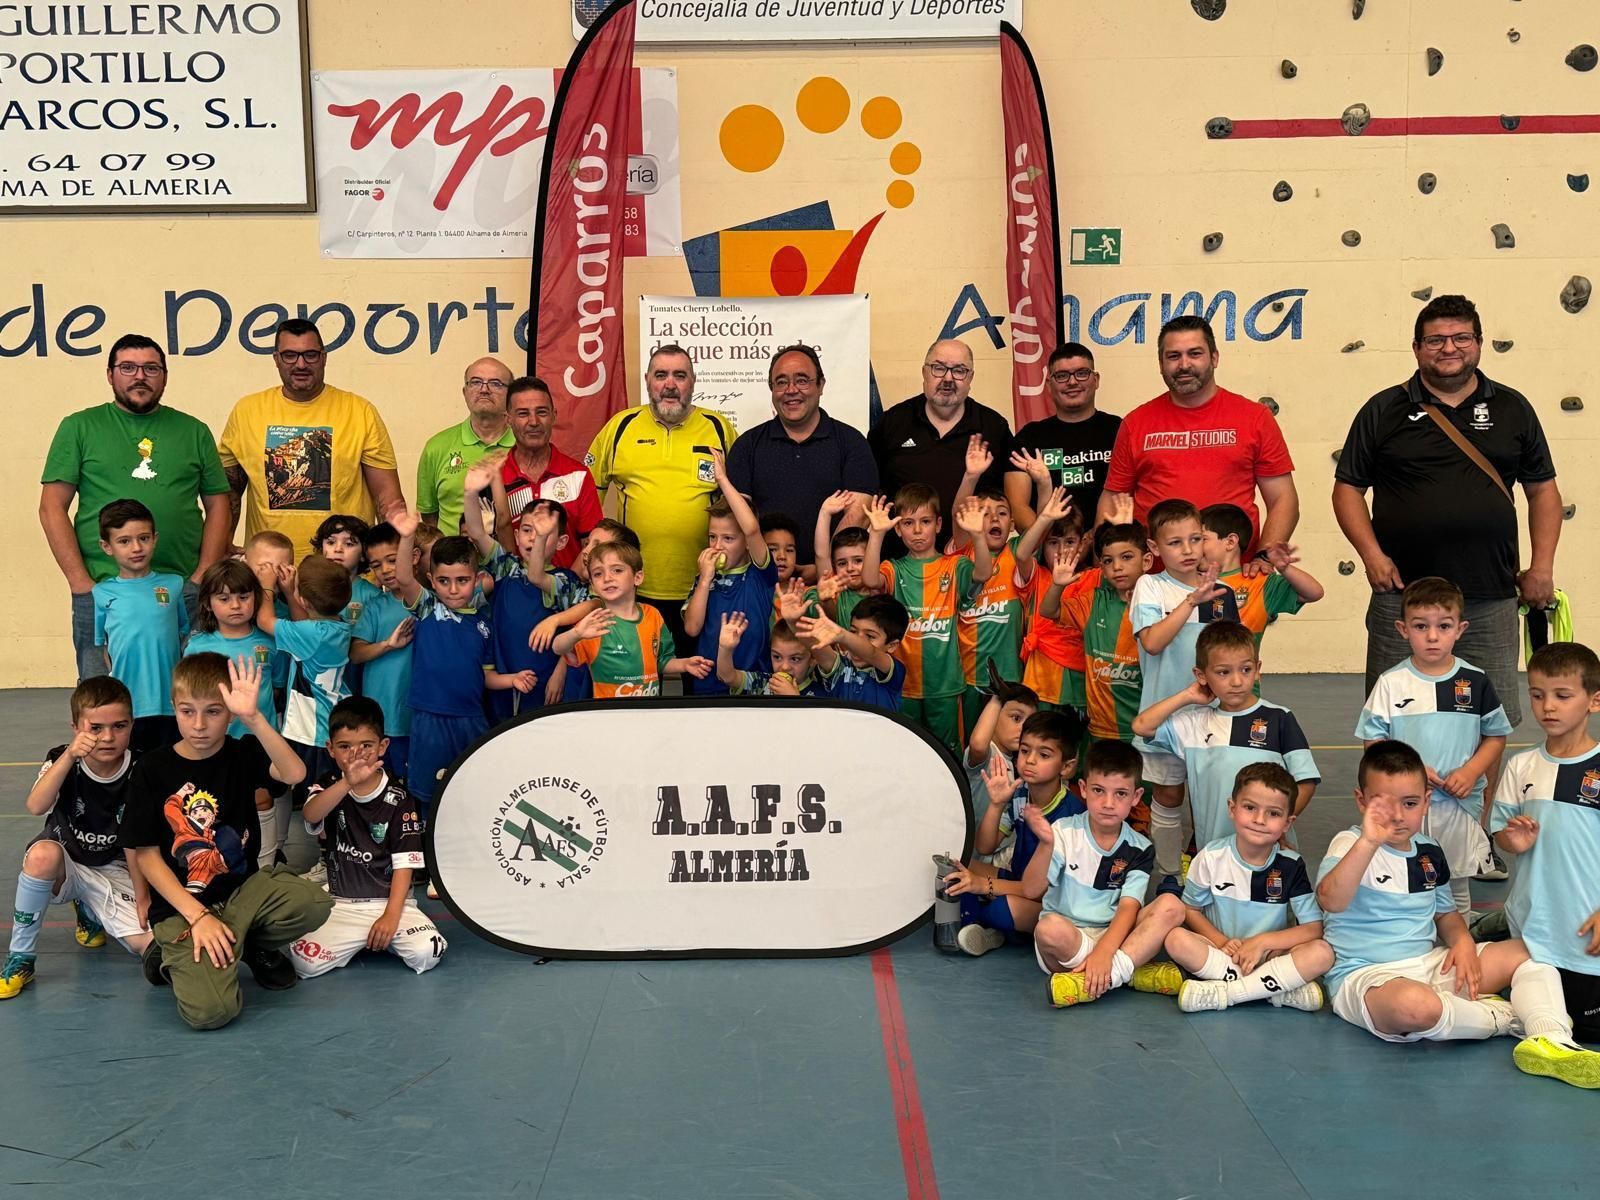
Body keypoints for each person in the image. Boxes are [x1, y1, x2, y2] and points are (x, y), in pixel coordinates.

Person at [1333, 294, 1561, 729]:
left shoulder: (1513, 407)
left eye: (1461, 337)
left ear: (1479, 343)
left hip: (1490, 593)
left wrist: (1542, 566)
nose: (1449, 348)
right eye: (1435, 339)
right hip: (1402, 594)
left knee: (1489, 721)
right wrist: (1372, 557)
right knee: (1392, 719)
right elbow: (1347, 490)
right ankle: (1398, 801)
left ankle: (1480, 802)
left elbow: (1543, 490)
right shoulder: (1383, 409)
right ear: (1417, 347)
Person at [1317, 739, 1600, 1088]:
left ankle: (1554, 1040)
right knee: (1413, 1007)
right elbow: (1332, 900)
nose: (1396, 816)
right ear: (1361, 801)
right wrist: (1368, 842)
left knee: (1529, 951)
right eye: (1382, 805)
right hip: (1367, 978)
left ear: (1426, 802)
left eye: (1409, 804)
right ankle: (1503, 1018)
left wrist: (1463, 942)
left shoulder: (1429, 851)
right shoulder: (1350, 844)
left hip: (1428, 965)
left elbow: (1446, 915)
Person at [121, 653, 332, 1031]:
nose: (199, 725)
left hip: (241, 894)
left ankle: (244, 943)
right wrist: (198, 916)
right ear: (174, 708)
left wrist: (254, 717)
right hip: (183, 907)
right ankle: (176, 952)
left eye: (214, 712)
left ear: (230, 714)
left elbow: (294, 772)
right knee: (212, 1012)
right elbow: (148, 857)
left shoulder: (243, 752)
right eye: (188, 712)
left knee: (312, 902)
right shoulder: (151, 768)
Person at [41, 333, 231, 680]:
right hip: (102, 587)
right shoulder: (79, 427)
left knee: (187, 690)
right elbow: (52, 507)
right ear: (110, 374)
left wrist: (202, 574)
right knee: (102, 695)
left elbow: (219, 505)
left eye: (150, 368)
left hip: (181, 587)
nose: (139, 376)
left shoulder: (194, 431)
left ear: (165, 376)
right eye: (128, 367)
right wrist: (81, 583)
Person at [1356, 577, 1512, 917]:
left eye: (1443, 626)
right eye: (1420, 626)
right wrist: (1409, 773)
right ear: (1402, 629)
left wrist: (1471, 771)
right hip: (1405, 804)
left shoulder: (1474, 681)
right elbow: (1374, 742)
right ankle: (1413, 937)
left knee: (1455, 880)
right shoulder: (1391, 683)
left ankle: (1462, 941)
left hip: (1457, 804)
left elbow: (1496, 735)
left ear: (1460, 628)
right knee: (1406, 872)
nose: (1432, 636)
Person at [1, 677, 152, 1000]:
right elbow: (35, 805)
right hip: (67, 864)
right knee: (41, 855)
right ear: (75, 727)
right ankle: (21, 957)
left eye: (119, 726)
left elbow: (138, 842)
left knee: (149, 945)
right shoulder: (62, 758)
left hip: (117, 868)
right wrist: (69, 757)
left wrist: (143, 897)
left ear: (131, 725)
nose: (108, 737)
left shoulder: (142, 766)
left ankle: (90, 908)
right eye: (95, 728)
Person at [1098, 315, 1297, 555]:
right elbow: (1112, 500)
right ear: (1160, 364)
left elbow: (1283, 500)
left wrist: (1265, 558)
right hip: (1154, 580)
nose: (1184, 365)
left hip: (1233, 578)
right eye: (1173, 356)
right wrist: (1105, 570)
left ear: (1214, 357)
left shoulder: (1254, 418)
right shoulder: (1135, 423)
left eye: (1195, 354)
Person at [586, 346, 737, 655]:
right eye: (661, 375)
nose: (670, 384)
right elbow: (588, 501)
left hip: (703, 586)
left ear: (693, 381)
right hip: (634, 586)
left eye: (680, 375)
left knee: (699, 677)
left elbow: (739, 503)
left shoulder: (719, 428)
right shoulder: (620, 427)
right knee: (640, 678)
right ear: (647, 381)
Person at [219, 318, 404, 559]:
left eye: (310, 355)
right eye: (290, 355)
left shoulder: (359, 411)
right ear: (276, 359)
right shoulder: (247, 411)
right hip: (268, 569)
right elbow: (228, 491)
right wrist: (222, 542)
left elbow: (387, 498)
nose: (301, 364)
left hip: (344, 573)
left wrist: (389, 559)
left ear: (324, 357)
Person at [286, 698, 444, 979]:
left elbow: (404, 864)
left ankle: (382, 936)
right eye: (345, 747)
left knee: (428, 952)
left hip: (393, 904)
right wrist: (347, 782)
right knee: (303, 962)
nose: (356, 755)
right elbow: (310, 815)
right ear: (330, 749)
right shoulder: (328, 783)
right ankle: (362, 939)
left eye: (367, 746)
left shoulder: (400, 798)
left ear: (382, 746)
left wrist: (390, 917)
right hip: (341, 905)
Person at [389, 509, 535, 814]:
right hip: (430, 718)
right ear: (431, 579)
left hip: (471, 719)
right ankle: (428, 856)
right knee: (427, 795)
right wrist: (405, 537)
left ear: (477, 579)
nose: (453, 589)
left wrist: (512, 680)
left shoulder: (484, 625)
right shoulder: (428, 608)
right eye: (443, 581)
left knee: (472, 791)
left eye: (462, 580)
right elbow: (403, 576)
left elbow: (487, 677)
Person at [1022, 738, 1186, 1007]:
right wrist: (1046, 844)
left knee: (1172, 906)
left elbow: (1127, 909)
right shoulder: (1062, 831)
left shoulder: (1140, 847)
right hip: (1069, 939)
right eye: (1099, 790)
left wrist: (1106, 952)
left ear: (1135, 797)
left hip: (1114, 935)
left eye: (1120, 793)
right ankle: (1126, 974)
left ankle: (1101, 977)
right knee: (1048, 930)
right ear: (1084, 789)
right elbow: (1030, 890)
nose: (1108, 803)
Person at [1492, 642, 1600, 1044]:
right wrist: (1511, 841)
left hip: (1587, 932)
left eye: (1562, 695)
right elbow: (1501, 836)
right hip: (1535, 930)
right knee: (1540, 1011)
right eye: (1537, 695)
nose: (1547, 707)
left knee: (1588, 1027)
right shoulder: (1521, 766)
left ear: (1594, 701)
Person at [1133, 621, 1320, 852]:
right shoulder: (1194, 723)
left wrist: (1279, 825)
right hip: (1213, 854)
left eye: (1246, 669)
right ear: (1201, 675)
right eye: (1223, 672)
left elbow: (1306, 782)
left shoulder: (1279, 718)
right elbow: (1142, 726)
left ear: (1258, 668)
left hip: (1270, 852)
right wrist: (1187, 695)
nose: (1237, 681)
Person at [1162, 763, 1332, 1014]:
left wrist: (1262, 943)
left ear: (1288, 822)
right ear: (1232, 808)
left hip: (1270, 957)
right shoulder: (1211, 857)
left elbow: (1313, 928)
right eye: (1250, 807)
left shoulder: (1291, 865)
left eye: (1273, 814)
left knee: (1322, 953)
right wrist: (1221, 942)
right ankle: (1274, 989)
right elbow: (1190, 909)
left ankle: (1226, 992)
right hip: (1223, 955)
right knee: (1175, 939)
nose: (1259, 820)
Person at [1129, 498, 1224, 873]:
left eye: (1195, 539)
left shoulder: (1220, 591)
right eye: (1175, 542)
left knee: (1211, 800)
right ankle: (1170, 874)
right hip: (1165, 714)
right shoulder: (1150, 586)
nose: (1188, 550)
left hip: (1214, 717)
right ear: (1154, 548)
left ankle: (1208, 872)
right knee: (1169, 797)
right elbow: (1152, 642)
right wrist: (1190, 602)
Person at [725, 344, 878, 572]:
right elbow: (737, 523)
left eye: (802, 380)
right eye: (781, 382)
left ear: (821, 385)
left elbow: (858, 515)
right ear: (772, 389)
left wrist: (823, 568)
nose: (791, 390)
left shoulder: (852, 443)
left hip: (835, 584)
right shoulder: (747, 446)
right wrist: (770, 570)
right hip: (764, 584)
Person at [941, 710, 1082, 956]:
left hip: (1049, 902)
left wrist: (984, 886)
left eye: (1044, 754)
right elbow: (985, 847)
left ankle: (986, 926)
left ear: (1067, 767)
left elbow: (1037, 891)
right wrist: (996, 804)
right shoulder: (1020, 794)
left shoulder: (1071, 815)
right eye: (1025, 751)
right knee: (958, 864)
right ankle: (987, 930)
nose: (1030, 760)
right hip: (1018, 881)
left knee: (1001, 908)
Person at [863, 485, 993, 750]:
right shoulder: (894, 568)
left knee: (949, 755)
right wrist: (876, 535)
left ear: (938, 524)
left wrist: (977, 535)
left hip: (944, 687)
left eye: (925, 521)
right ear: (897, 529)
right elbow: (869, 579)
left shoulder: (954, 565)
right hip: (904, 685)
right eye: (908, 523)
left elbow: (983, 573)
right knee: (906, 752)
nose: (918, 530)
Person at [869, 338, 1013, 558]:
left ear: (971, 378)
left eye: (959, 371)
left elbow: (1008, 500)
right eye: (938, 368)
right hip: (900, 568)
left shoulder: (994, 428)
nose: (948, 378)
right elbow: (870, 493)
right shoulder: (892, 424)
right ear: (924, 373)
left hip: (973, 566)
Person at [464, 463, 580, 717]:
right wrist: (470, 493)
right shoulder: (506, 566)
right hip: (505, 680)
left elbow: (576, 633)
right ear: (516, 536)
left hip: (546, 682)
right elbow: (476, 531)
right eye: (527, 531)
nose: (532, 538)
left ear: (561, 542)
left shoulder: (564, 580)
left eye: (543, 534)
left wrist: (561, 671)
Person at [186, 560, 282, 866]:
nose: (235, 606)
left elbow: (277, 684)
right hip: (220, 742)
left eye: (243, 597)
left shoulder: (269, 642)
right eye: (224, 598)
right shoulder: (198, 647)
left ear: (256, 597)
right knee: (223, 802)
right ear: (208, 603)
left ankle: (267, 864)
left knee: (264, 798)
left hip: (259, 739)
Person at [255, 554, 353, 845]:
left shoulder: (311, 633)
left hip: (314, 731)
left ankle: (329, 854)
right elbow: (305, 622)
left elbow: (264, 620)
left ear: (306, 601)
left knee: (318, 796)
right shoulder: (336, 626)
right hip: (330, 722)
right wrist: (291, 591)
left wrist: (267, 586)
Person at [552, 540, 713, 698]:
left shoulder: (653, 615)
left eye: (617, 570)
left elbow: (661, 661)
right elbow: (558, 647)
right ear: (593, 585)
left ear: (638, 577)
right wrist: (576, 633)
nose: (607, 578)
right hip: (609, 719)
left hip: (647, 717)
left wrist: (684, 664)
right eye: (598, 573)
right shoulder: (595, 622)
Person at [93, 499, 188, 752]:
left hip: (170, 703)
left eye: (144, 538)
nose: (136, 547)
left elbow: (182, 637)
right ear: (107, 546)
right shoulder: (101, 593)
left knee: (170, 770)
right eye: (124, 541)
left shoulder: (174, 585)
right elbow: (104, 648)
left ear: (155, 538)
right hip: (128, 706)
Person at [683, 450, 777, 696]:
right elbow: (692, 628)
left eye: (728, 538)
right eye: (712, 537)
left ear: (745, 541)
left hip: (751, 681)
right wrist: (704, 580)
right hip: (708, 685)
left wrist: (722, 480)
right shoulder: (705, 577)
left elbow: (752, 528)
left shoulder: (761, 574)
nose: (717, 545)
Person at [1006, 343, 1122, 531]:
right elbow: (1018, 507)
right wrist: (1052, 544)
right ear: (1049, 385)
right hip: (1047, 554)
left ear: (1096, 379)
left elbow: (1129, 497)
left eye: (1082, 373)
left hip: (1107, 550)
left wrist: (1094, 543)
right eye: (1061, 376)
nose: (1072, 382)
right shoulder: (1028, 438)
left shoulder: (1120, 430)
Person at [1055, 518, 1151, 745]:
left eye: (1126, 557)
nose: (1117, 566)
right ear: (1102, 568)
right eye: (1108, 561)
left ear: (1146, 561)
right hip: (1100, 730)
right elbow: (1050, 611)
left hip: (1145, 730)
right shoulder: (1094, 602)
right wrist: (1058, 585)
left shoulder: (1161, 601)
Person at [497, 376, 602, 570]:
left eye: (542, 412)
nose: (534, 421)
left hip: (569, 596)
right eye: (523, 414)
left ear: (554, 415)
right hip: (510, 595)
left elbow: (592, 544)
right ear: (508, 419)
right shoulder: (494, 478)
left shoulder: (578, 475)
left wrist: (565, 588)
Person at [1199, 503, 1323, 656]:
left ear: (1230, 542)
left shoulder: (1259, 582)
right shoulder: (1187, 581)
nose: (1192, 547)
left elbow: (1314, 593)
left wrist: (1285, 569)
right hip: (1194, 678)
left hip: (1243, 678)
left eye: (1200, 539)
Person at [416, 356, 518, 537]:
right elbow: (430, 516)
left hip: (514, 560)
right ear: (465, 392)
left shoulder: (523, 444)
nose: (484, 390)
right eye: (476, 382)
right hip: (454, 560)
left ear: (511, 395)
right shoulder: (437, 447)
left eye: (495, 383)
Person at [348, 523, 417, 779]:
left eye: (392, 560)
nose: (386, 570)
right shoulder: (376, 606)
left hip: (418, 715)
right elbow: (356, 653)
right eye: (377, 565)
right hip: (382, 715)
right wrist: (387, 644)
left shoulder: (432, 600)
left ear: (413, 555)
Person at [795, 598, 909, 711]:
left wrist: (844, 636)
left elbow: (871, 653)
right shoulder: (841, 666)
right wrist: (792, 620)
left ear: (892, 645)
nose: (856, 642)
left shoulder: (893, 672)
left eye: (870, 636)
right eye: (853, 632)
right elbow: (813, 645)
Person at [962, 680, 1040, 820]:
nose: (1024, 729)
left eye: (1029, 723)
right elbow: (978, 745)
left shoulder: (1019, 761)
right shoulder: (989, 754)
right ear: (993, 715)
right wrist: (998, 697)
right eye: (1016, 718)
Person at [715, 613, 822, 697]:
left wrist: (793, 700)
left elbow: (813, 724)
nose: (784, 667)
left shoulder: (819, 694)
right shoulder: (762, 683)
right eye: (777, 657)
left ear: (813, 659)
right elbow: (727, 677)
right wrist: (725, 649)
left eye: (795, 659)